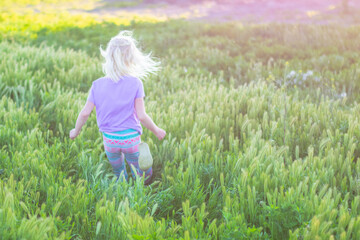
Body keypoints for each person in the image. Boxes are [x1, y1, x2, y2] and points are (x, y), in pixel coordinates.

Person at [69, 31, 166, 184]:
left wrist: (75, 131)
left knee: (118, 170)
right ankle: (144, 181)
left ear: (108, 57)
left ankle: (122, 186)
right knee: (139, 169)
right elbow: (141, 115)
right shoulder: (135, 83)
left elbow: (84, 113)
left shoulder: (97, 85)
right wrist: (156, 130)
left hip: (110, 140)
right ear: (131, 59)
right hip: (131, 140)